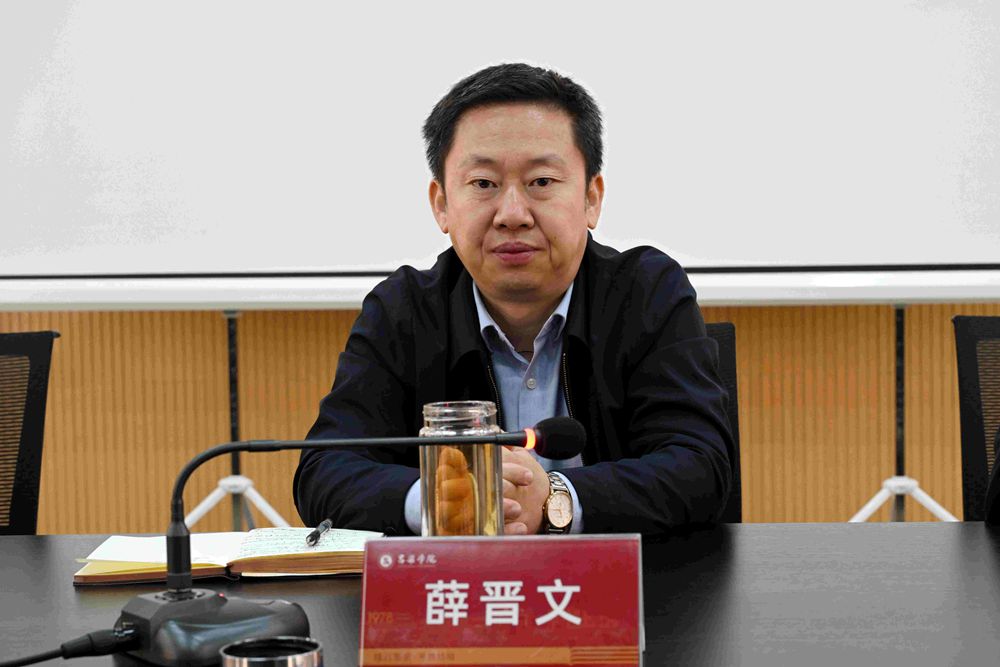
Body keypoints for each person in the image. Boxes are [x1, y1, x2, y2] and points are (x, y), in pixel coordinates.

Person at [293, 63, 733, 536]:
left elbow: (699, 466)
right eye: (483, 184)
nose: (512, 214)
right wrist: (441, 501)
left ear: (591, 198)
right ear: (442, 204)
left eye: (541, 182)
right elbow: (325, 472)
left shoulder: (644, 293)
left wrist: (555, 498)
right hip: (457, 582)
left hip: (626, 581)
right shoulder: (404, 311)